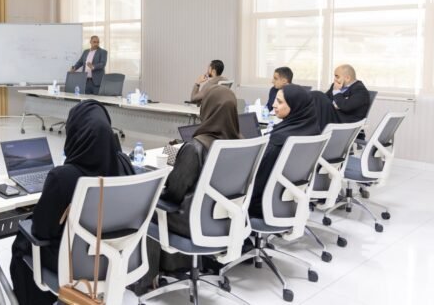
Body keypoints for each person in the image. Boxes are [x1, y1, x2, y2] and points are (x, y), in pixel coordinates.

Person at [10, 100, 133, 305]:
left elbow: (41, 231)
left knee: (23, 243)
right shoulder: (124, 165)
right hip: (116, 260)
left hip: (74, 268)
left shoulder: (63, 177)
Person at [133, 86, 241, 292]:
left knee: (146, 207)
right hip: (226, 221)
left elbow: (175, 193)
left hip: (195, 223)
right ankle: (178, 266)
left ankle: (145, 280)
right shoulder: (241, 144)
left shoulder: (195, 147)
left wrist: (157, 190)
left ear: (207, 109)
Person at [249, 85, 320, 217]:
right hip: (291, 201)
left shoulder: (279, 140)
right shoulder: (313, 130)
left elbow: (257, 182)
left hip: (265, 206)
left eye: (280, 102)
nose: (274, 105)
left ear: (295, 106)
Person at [312, 64, 371, 130]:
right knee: (316, 96)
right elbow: (325, 99)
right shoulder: (335, 86)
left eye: (337, 77)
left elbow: (346, 107)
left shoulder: (360, 90)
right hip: (334, 116)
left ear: (347, 78)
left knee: (318, 96)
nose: (335, 79)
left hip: (346, 121)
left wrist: (336, 91)